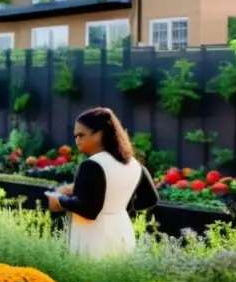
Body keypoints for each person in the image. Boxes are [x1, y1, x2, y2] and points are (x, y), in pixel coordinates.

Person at [47, 107, 159, 259]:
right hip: (122, 231)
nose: (77, 140)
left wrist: (59, 200)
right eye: (75, 136)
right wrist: (119, 206)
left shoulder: (91, 165)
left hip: (93, 236)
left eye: (81, 135)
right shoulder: (134, 164)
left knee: (87, 280)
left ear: (99, 134)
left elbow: (88, 209)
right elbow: (150, 198)